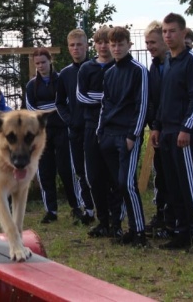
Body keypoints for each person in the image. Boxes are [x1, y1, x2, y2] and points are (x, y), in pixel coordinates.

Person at [150, 13, 193, 252]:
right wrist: (156, 126)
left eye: (172, 31)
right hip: (166, 134)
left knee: (190, 184)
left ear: (183, 34)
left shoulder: (192, 61)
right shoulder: (168, 63)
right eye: (164, 31)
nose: (167, 35)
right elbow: (163, 101)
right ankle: (181, 233)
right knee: (172, 185)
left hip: (184, 134)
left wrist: (187, 127)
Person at [97, 27, 148, 247]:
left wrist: (133, 134)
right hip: (108, 135)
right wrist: (100, 132)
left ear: (129, 45)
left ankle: (140, 232)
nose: (116, 48)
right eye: (113, 44)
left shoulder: (139, 71)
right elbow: (104, 104)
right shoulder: (108, 73)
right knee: (117, 184)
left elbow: (142, 104)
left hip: (127, 136)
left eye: (120, 44)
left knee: (127, 183)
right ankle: (126, 228)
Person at [26, 47, 85, 224]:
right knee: (45, 172)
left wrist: (49, 110)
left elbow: (65, 104)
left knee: (67, 170)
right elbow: (31, 110)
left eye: (43, 62)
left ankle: (76, 207)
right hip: (42, 134)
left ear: (50, 61)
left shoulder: (61, 80)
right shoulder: (31, 85)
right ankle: (51, 210)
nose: (41, 66)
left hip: (62, 131)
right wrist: (51, 109)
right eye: (37, 63)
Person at [77, 26, 121, 238]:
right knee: (94, 177)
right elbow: (81, 97)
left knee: (114, 177)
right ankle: (102, 221)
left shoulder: (118, 66)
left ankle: (116, 221)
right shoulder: (86, 69)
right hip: (90, 129)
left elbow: (120, 100)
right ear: (94, 45)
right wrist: (104, 99)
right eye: (99, 42)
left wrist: (105, 100)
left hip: (113, 130)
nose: (103, 46)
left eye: (107, 42)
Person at [55, 28, 95, 225]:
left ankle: (106, 210)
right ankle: (88, 210)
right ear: (68, 49)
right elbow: (59, 102)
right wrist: (70, 121)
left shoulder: (97, 68)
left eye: (80, 45)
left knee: (97, 172)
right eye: (72, 45)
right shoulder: (65, 74)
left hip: (95, 129)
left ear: (87, 46)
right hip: (75, 131)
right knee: (80, 171)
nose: (76, 49)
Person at [143, 21, 172, 237]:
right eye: (147, 43)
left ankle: (174, 219)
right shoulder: (154, 66)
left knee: (173, 177)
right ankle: (161, 215)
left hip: (173, 129)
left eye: (153, 42)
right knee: (161, 175)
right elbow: (153, 100)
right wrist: (153, 125)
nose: (149, 46)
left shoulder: (174, 64)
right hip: (158, 130)